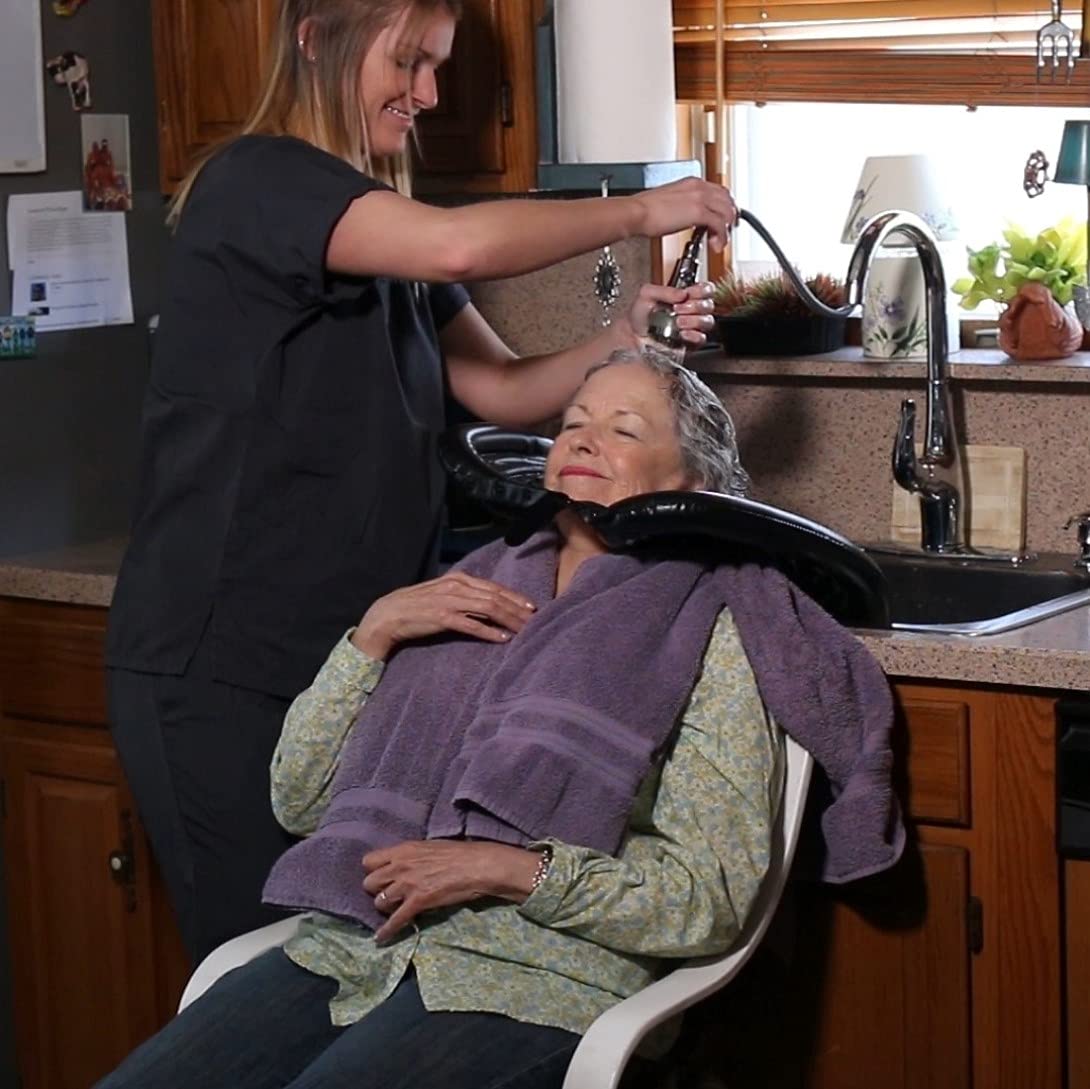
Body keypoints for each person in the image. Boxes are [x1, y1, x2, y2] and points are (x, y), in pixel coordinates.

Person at [105, 0, 739, 966]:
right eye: (408, 61)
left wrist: (627, 340)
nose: (430, 94)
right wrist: (646, 209)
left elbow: (498, 386)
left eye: (438, 66)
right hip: (221, 662)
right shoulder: (256, 182)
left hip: (338, 661)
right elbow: (458, 244)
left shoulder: (378, 236)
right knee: (261, 975)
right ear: (317, 40)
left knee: (339, 971)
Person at [97, 349, 901, 1089]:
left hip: (539, 978)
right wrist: (371, 634)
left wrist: (504, 868)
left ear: (692, 482)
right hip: (352, 947)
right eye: (572, 422)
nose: (582, 439)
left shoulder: (713, 628)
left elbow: (707, 898)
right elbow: (300, 802)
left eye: (622, 430)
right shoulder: (464, 592)